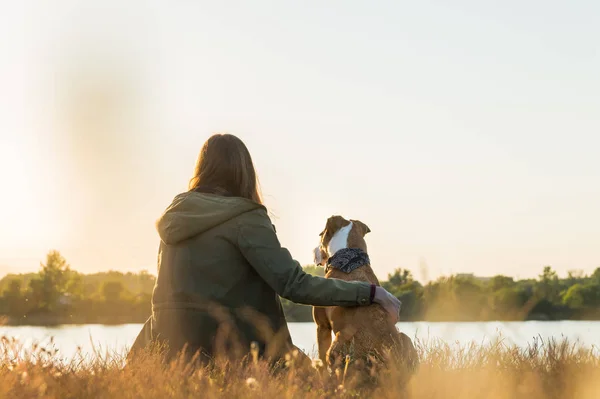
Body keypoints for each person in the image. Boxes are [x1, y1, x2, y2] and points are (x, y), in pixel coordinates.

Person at [129, 133, 402, 365]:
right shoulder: (246, 218)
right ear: (244, 171)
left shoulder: (174, 218)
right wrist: (369, 292)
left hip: (167, 350)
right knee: (322, 386)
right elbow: (295, 285)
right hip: (233, 349)